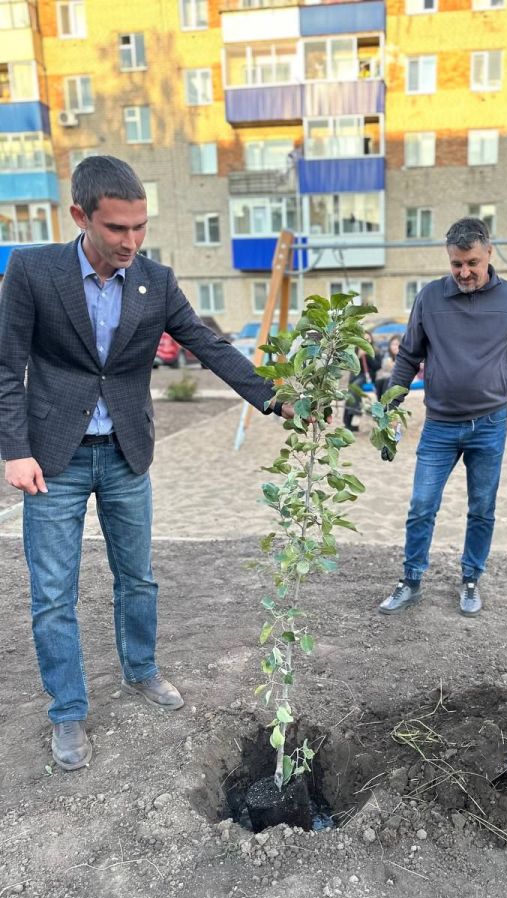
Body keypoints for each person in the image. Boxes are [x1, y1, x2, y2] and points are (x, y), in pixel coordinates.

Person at [0, 156, 293, 772]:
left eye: (140, 227)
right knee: (54, 594)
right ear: (81, 217)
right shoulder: (31, 270)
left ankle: (140, 671)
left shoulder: (154, 280)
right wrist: (15, 449)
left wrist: (275, 397)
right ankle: (68, 713)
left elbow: (206, 343)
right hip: (53, 459)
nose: (132, 241)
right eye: (117, 229)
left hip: (128, 453)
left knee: (138, 578)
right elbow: (7, 367)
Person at [378, 217, 507, 617]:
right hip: (439, 425)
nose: (464, 272)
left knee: (482, 508)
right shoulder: (430, 298)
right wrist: (388, 404)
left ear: (489, 252)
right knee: (422, 504)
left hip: (489, 426)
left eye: (472, 262)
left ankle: (471, 578)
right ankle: (411, 579)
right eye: (456, 264)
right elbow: (408, 356)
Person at [343, 331, 382, 432]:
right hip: (355, 376)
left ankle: (356, 414)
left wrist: (368, 355)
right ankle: (348, 422)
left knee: (355, 388)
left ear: (371, 340)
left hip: (367, 376)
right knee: (350, 394)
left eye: (368, 339)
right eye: (364, 339)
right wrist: (359, 356)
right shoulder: (355, 351)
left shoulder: (375, 351)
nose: (366, 341)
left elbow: (377, 366)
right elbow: (350, 365)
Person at [375, 333, 401, 400]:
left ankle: (385, 405)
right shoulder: (388, 356)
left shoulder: (404, 357)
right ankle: (380, 404)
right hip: (388, 377)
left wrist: (393, 365)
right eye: (392, 344)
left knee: (388, 380)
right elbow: (384, 368)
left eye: (397, 344)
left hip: (401, 378)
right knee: (379, 382)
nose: (394, 347)